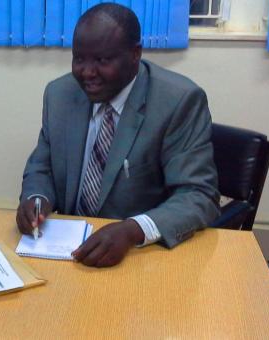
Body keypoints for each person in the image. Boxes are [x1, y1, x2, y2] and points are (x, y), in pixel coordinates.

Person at [17, 4, 220, 268]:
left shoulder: (178, 101)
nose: (87, 72)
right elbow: (42, 168)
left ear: (135, 54)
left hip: (142, 258)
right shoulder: (60, 94)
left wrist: (133, 229)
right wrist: (36, 199)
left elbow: (198, 195)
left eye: (102, 61)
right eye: (79, 59)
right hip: (67, 254)